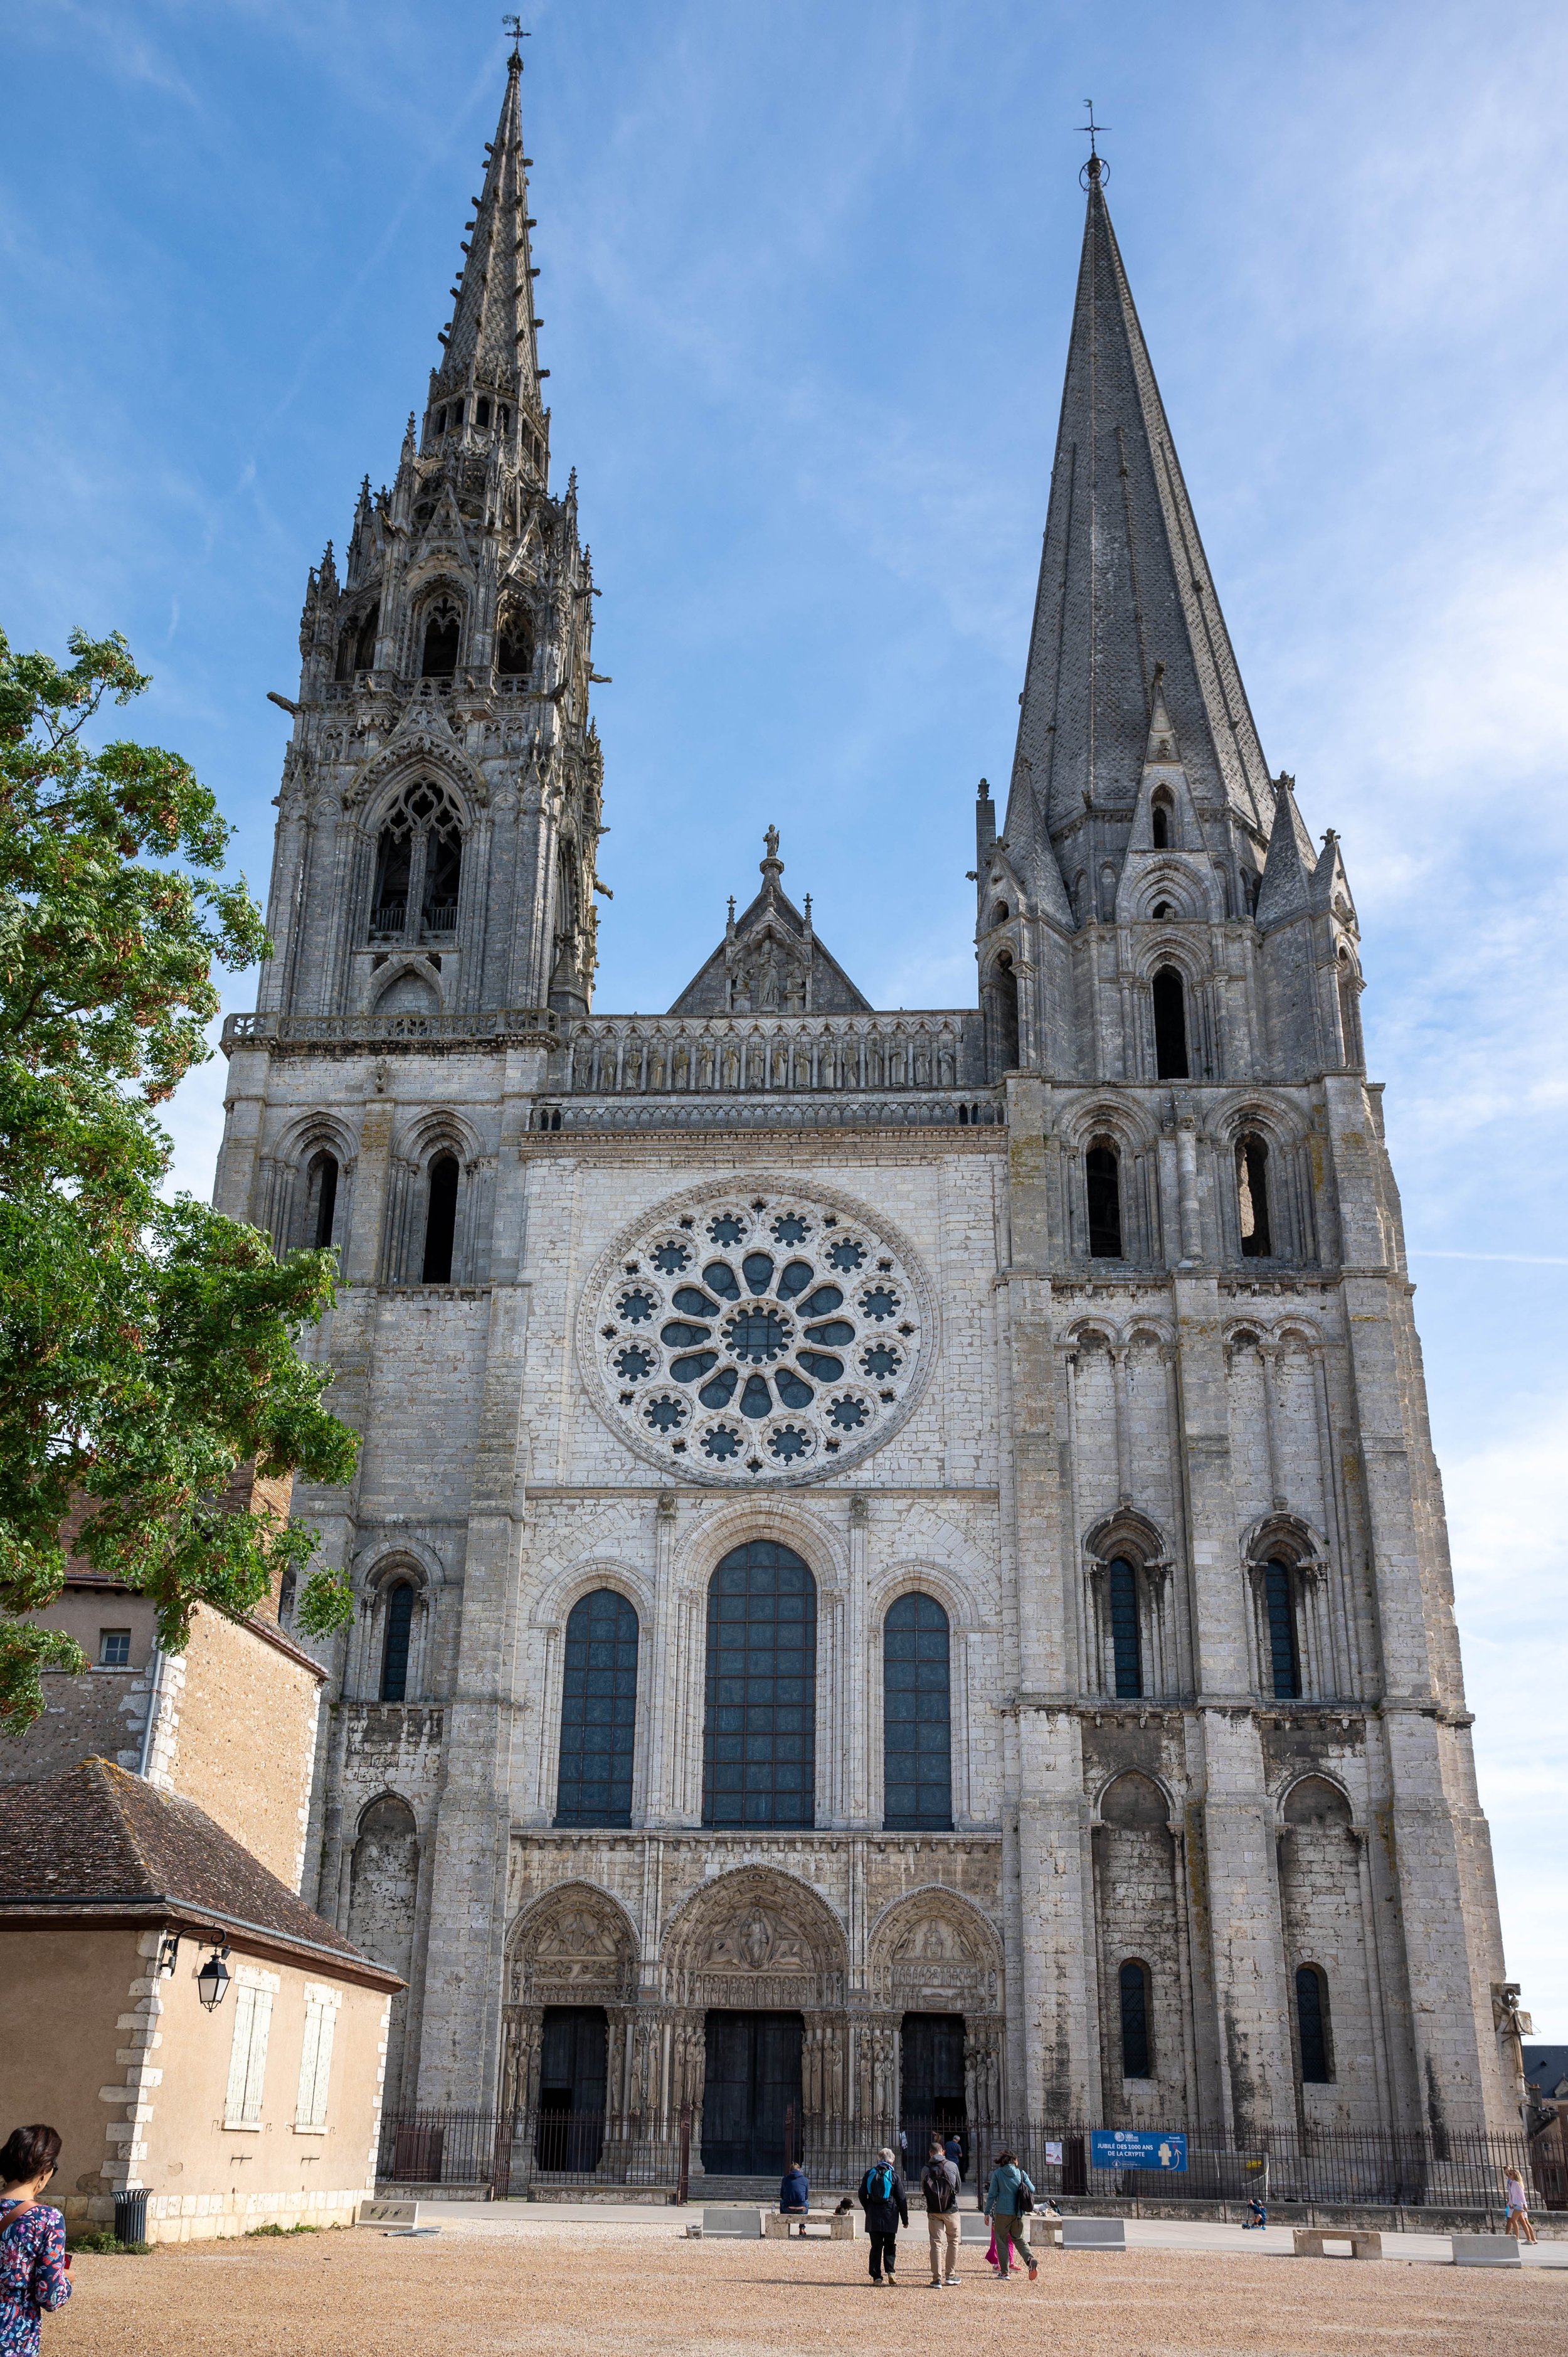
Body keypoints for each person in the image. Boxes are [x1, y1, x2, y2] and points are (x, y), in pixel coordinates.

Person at [0, 2126, 72, 2357]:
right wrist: (66, 2280)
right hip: (13, 2331)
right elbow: (49, 2296)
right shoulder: (47, 2219)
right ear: (44, 2170)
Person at [983, 2147, 1038, 2282]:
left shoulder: (998, 2174)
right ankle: (1030, 2260)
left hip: (1002, 2212)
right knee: (1018, 2239)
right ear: (1014, 2161)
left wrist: (987, 2212)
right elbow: (1032, 2189)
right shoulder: (1021, 2173)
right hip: (1018, 2213)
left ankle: (1005, 2272)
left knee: (1001, 2241)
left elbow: (992, 2195)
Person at [857, 2146, 908, 2287]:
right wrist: (905, 2219)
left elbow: (862, 2194)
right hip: (890, 2214)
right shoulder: (894, 2176)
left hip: (874, 2214)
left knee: (876, 2246)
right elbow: (901, 2198)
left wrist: (868, 2208)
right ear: (891, 2162)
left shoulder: (870, 2174)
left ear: (879, 2160)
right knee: (890, 2245)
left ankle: (876, 2276)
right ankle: (891, 2271)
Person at [920, 2137, 961, 2288]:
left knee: (936, 2244)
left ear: (930, 2153)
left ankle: (936, 2279)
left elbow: (923, 2189)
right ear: (943, 2152)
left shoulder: (925, 2169)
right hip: (951, 2210)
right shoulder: (952, 2165)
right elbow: (958, 2188)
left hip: (933, 2211)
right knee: (953, 2241)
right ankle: (950, 2276)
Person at [1503, 2166, 1538, 2244]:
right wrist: (1510, 2203)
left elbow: (1522, 2195)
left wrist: (1525, 2204)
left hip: (1519, 2205)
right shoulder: (1512, 2183)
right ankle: (1529, 2240)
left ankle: (1517, 2238)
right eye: (1509, 2174)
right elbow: (1511, 2195)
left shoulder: (1517, 2184)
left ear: (1515, 2176)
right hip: (1515, 2205)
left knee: (1513, 2220)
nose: (1509, 2175)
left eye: (1510, 2174)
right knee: (1522, 2221)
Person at [779, 2159, 810, 2237]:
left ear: (790, 2171)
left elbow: (782, 2195)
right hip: (802, 2210)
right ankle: (802, 2228)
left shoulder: (785, 2179)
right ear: (800, 2171)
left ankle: (784, 2227)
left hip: (788, 2209)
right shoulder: (805, 2180)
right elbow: (806, 2196)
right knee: (807, 2203)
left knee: (781, 2202)